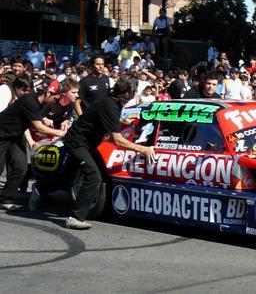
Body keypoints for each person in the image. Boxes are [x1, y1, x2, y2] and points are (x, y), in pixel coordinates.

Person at [39, 77, 155, 229]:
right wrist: (144, 149)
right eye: (133, 93)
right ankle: (75, 217)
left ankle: (40, 188)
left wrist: (122, 121)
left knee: (69, 178)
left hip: (88, 143)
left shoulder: (113, 104)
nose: (134, 96)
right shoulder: (110, 105)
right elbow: (118, 140)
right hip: (76, 142)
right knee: (94, 176)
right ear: (127, 93)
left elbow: (107, 120)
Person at [0, 78, 66, 210]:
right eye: (54, 98)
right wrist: (60, 133)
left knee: (20, 167)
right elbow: (39, 127)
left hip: (16, 137)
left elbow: (35, 116)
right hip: (2, 135)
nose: (55, 101)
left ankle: (5, 199)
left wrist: (43, 118)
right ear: (48, 93)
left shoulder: (40, 103)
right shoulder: (30, 100)